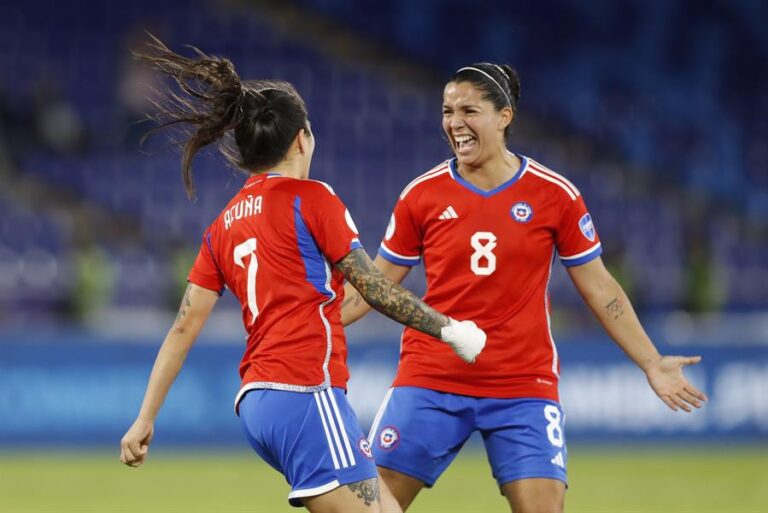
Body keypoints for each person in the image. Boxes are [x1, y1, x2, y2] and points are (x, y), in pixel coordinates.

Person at [118, 38, 487, 513]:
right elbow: (372, 287)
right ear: (300, 138)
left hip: (257, 404)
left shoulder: (223, 225)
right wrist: (451, 330)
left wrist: (145, 418)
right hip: (305, 391)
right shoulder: (311, 199)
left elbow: (184, 325)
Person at [341, 63, 708, 513]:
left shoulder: (554, 195)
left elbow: (600, 286)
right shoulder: (422, 195)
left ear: (504, 116)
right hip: (432, 378)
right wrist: (308, 320)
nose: (455, 122)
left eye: (469, 110)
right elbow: (372, 286)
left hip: (521, 385)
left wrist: (651, 362)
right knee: (370, 507)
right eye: (447, 110)